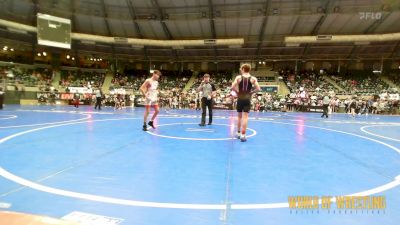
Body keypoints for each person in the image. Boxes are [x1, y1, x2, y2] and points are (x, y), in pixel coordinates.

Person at [231, 64, 261, 142]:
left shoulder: (238, 77)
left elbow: (232, 87)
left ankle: (238, 133)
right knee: (245, 118)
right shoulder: (253, 78)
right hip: (247, 99)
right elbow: (258, 88)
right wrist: (251, 92)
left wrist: (237, 92)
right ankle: (243, 135)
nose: (240, 70)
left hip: (240, 99)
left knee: (239, 117)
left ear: (243, 69)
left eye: (241, 69)